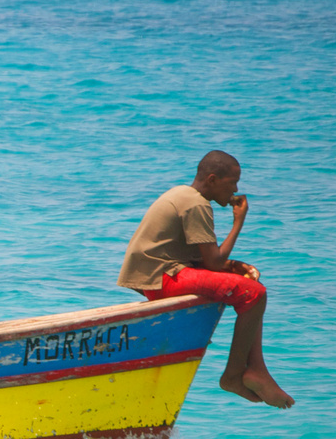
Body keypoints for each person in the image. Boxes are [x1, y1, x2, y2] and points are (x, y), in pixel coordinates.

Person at [117, 151, 294, 408]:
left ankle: (256, 369)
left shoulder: (183, 194)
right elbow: (213, 263)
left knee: (252, 289)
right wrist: (238, 222)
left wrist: (232, 267)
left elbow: (202, 258)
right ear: (212, 179)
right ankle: (234, 375)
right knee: (255, 294)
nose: (235, 189)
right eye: (232, 182)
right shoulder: (196, 204)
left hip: (160, 276)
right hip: (162, 279)